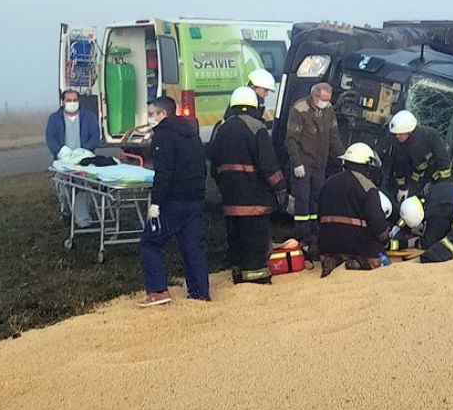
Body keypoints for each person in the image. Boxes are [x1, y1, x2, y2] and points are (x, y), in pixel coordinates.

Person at [208, 86, 288, 285]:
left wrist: (224, 187)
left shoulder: (221, 128)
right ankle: (256, 280)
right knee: (255, 243)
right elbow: (268, 165)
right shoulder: (256, 127)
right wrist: (280, 188)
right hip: (255, 201)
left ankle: (238, 275)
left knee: (236, 240)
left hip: (230, 201)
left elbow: (213, 166)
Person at [138, 96, 210, 307]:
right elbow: (202, 165)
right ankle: (200, 291)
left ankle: (157, 290)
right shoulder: (191, 132)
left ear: (163, 114)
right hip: (195, 197)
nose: (150, 118)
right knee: (192, 246)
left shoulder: (163, 136)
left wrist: (156, 203)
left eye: (152, 114)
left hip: (174, 200)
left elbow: (164, 172)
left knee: (150, 242)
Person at [285, 82, 344, 260]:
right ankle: (303, 235)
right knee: (303, 199)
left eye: (329, 99)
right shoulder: (300, 109)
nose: (327, 103)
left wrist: (343, 157)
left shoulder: (328, 110)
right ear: (315, 96)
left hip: (320, 163)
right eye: (324, 99)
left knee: (317, 198)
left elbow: (334, 136)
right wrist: (296, 163)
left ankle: (316, 233)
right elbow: (291, 140)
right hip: (303, 163)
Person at [316, 143, 392, 277]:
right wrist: (385, 238)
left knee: (336, 249)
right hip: (357, 245)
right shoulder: (367, 187)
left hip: (327, 244)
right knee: (377, 256)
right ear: (366, 165)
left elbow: (319, 215)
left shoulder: (328, 183)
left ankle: (334, 259)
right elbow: (377, 224)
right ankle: (360, 262)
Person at [387, 110, 453, 201]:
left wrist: (444, 188)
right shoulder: (398, 145)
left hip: (436, 174)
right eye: (395, 134)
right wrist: (403, 188)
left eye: (400, 134)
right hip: (416, 177)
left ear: (410, 132)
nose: (397, 137)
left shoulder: (430, 136)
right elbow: (399, 167)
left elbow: (443, 163)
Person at [45, 89, 101, 159]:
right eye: (69, 100)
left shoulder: (89, 117)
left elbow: (95, 136)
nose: (72, 103)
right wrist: (60, 151)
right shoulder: (54, 118)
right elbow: (51, 138)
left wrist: (84, 151)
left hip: (85, 158)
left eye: (75, 100)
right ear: (63, 102)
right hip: (62, 158)